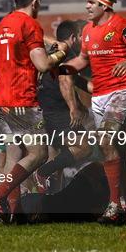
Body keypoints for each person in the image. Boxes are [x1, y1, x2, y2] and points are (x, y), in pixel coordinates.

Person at [61, 0, 126, 224]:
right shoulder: (88, 31)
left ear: (105, 5)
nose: (87, 7)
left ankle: (114, 206)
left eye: (91, 3)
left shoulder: (123, 26)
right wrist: (61, 68)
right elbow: (82, 60)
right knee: (115, 151)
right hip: (99, 96)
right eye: (86, 2)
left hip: (121, 92)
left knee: (107, 140)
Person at [0, 0, 69, 222]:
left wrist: (11, 67)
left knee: (13, 155)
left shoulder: (2, 25)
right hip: (22, 100)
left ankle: (16, 214)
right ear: (34, 1)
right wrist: (61, 53)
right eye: (39, 1)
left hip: (0, 101)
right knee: (39, 154)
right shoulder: (30, 25)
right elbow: (43, 64)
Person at [35, 20, 91, 192]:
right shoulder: (67, 53)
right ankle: (42, 173)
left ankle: (51, 201)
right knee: (84, 147)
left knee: (57, 158)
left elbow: (74, 81)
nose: (86, 40)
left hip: (45, 108)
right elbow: (64, 80)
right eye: (84, 36)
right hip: (58, 111)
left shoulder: (53, 51)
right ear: (74, 37)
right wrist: (74, 108)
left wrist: (80, 104)